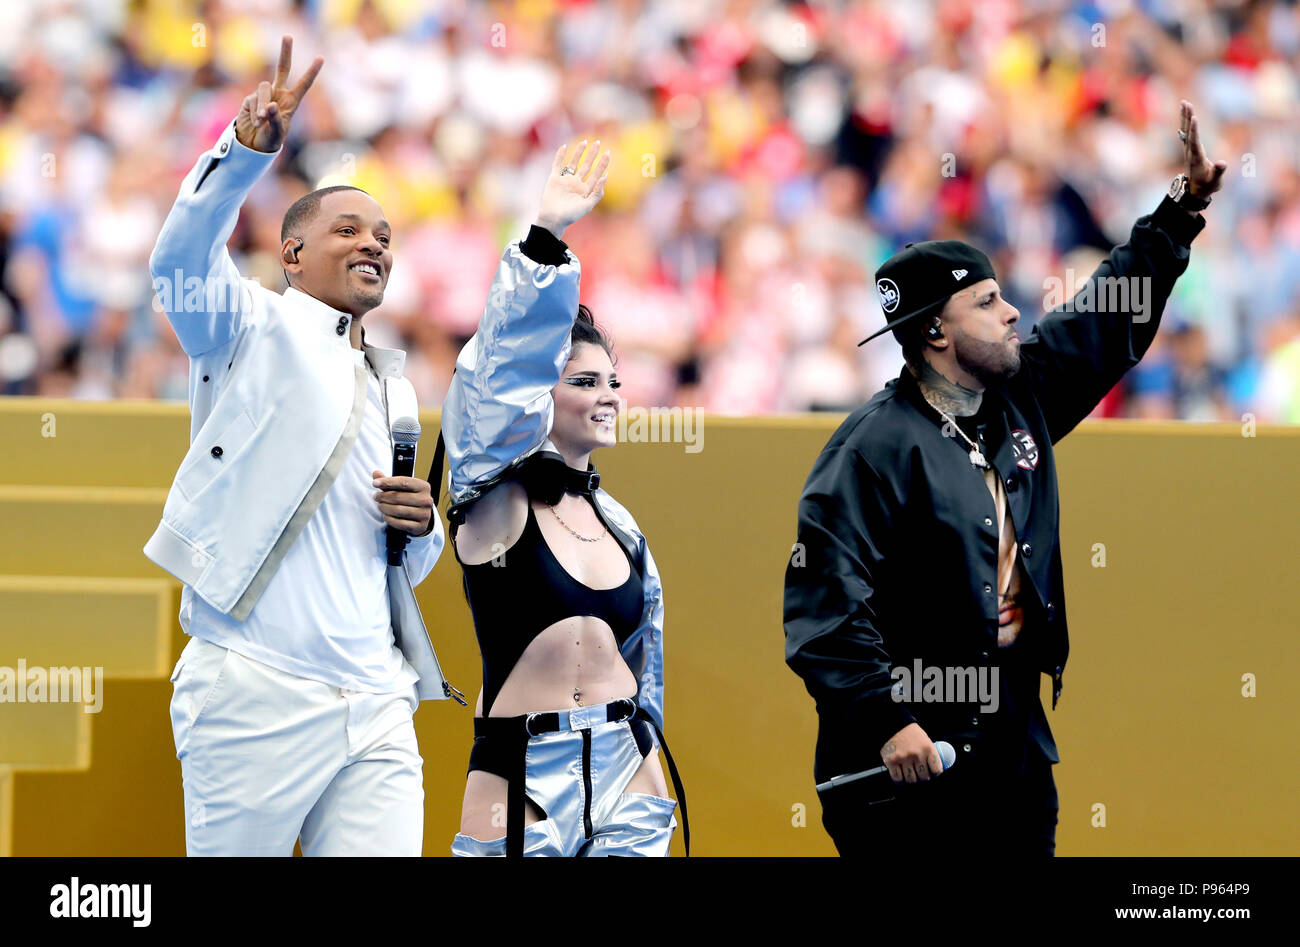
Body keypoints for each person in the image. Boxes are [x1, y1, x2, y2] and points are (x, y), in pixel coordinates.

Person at [783, 100, 1226, 857]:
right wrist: (886, 717)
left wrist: (1179, 212)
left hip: (1015, 749)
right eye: (987, 302)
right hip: (912, 765)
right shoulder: (869, 448)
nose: (1014, 311)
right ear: (934, 332)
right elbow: (823, 604)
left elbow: (1103, 320)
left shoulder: (1019, 394)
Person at [145, 36, 462, 857]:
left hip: (377, 698)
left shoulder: (396, 384)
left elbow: (397, 568)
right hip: (253, 687)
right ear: (291, 255)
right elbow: (179, 262)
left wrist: (419, 528)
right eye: (349, 228)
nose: (373, 243)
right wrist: (244, 152)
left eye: (385, 235)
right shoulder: (246, 323)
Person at [440, 140, 687, 857]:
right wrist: (544, 240)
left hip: (627, 768)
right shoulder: (493, 493)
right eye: (584, 381)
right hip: (522, 779)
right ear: (539, 396)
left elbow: (650, 666)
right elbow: (493, 387)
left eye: (612, 380)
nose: (607, 395)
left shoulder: (621, 525)